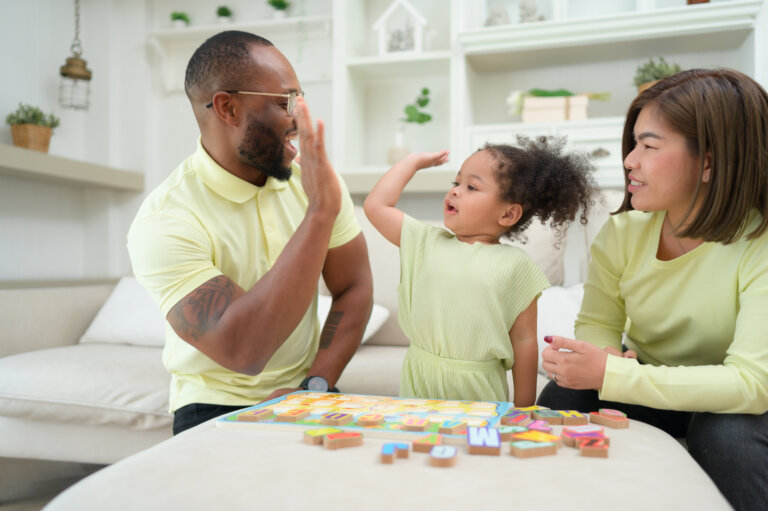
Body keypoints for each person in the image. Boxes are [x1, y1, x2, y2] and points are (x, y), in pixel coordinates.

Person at [537, 68, 768, 511]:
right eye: (634, 143)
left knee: (726, 434)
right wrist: (596, 358)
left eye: (649, 146)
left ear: (710, 162)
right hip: (651, 381)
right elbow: (599, 324)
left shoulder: (757, 244)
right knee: (564, 396)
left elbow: (751, 383)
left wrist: (616, 375)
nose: (629, 160)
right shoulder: (622, 233)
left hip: (734, 402)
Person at [127, 31, 373, 435]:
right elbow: (244, 352)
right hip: (211, 405)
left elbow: (355, 286)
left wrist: (315, 384)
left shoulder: (313, 183)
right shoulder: (165, 219)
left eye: (301, 99)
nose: (298, 118)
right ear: (227, 107)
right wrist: (319, 213)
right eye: (285, 102)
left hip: (310, 390)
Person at [364, 138, 596, 404]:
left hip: (479, 388)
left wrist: (523, 408)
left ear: (508, 215)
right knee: (420, 444)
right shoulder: (424, 241)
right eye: (456, 183)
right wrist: (411, 163)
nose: (455, 192)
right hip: (419, 378)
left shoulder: (515, 265)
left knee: (477, 446)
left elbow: (524, 341)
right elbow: (377, 206)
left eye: (472, 187)